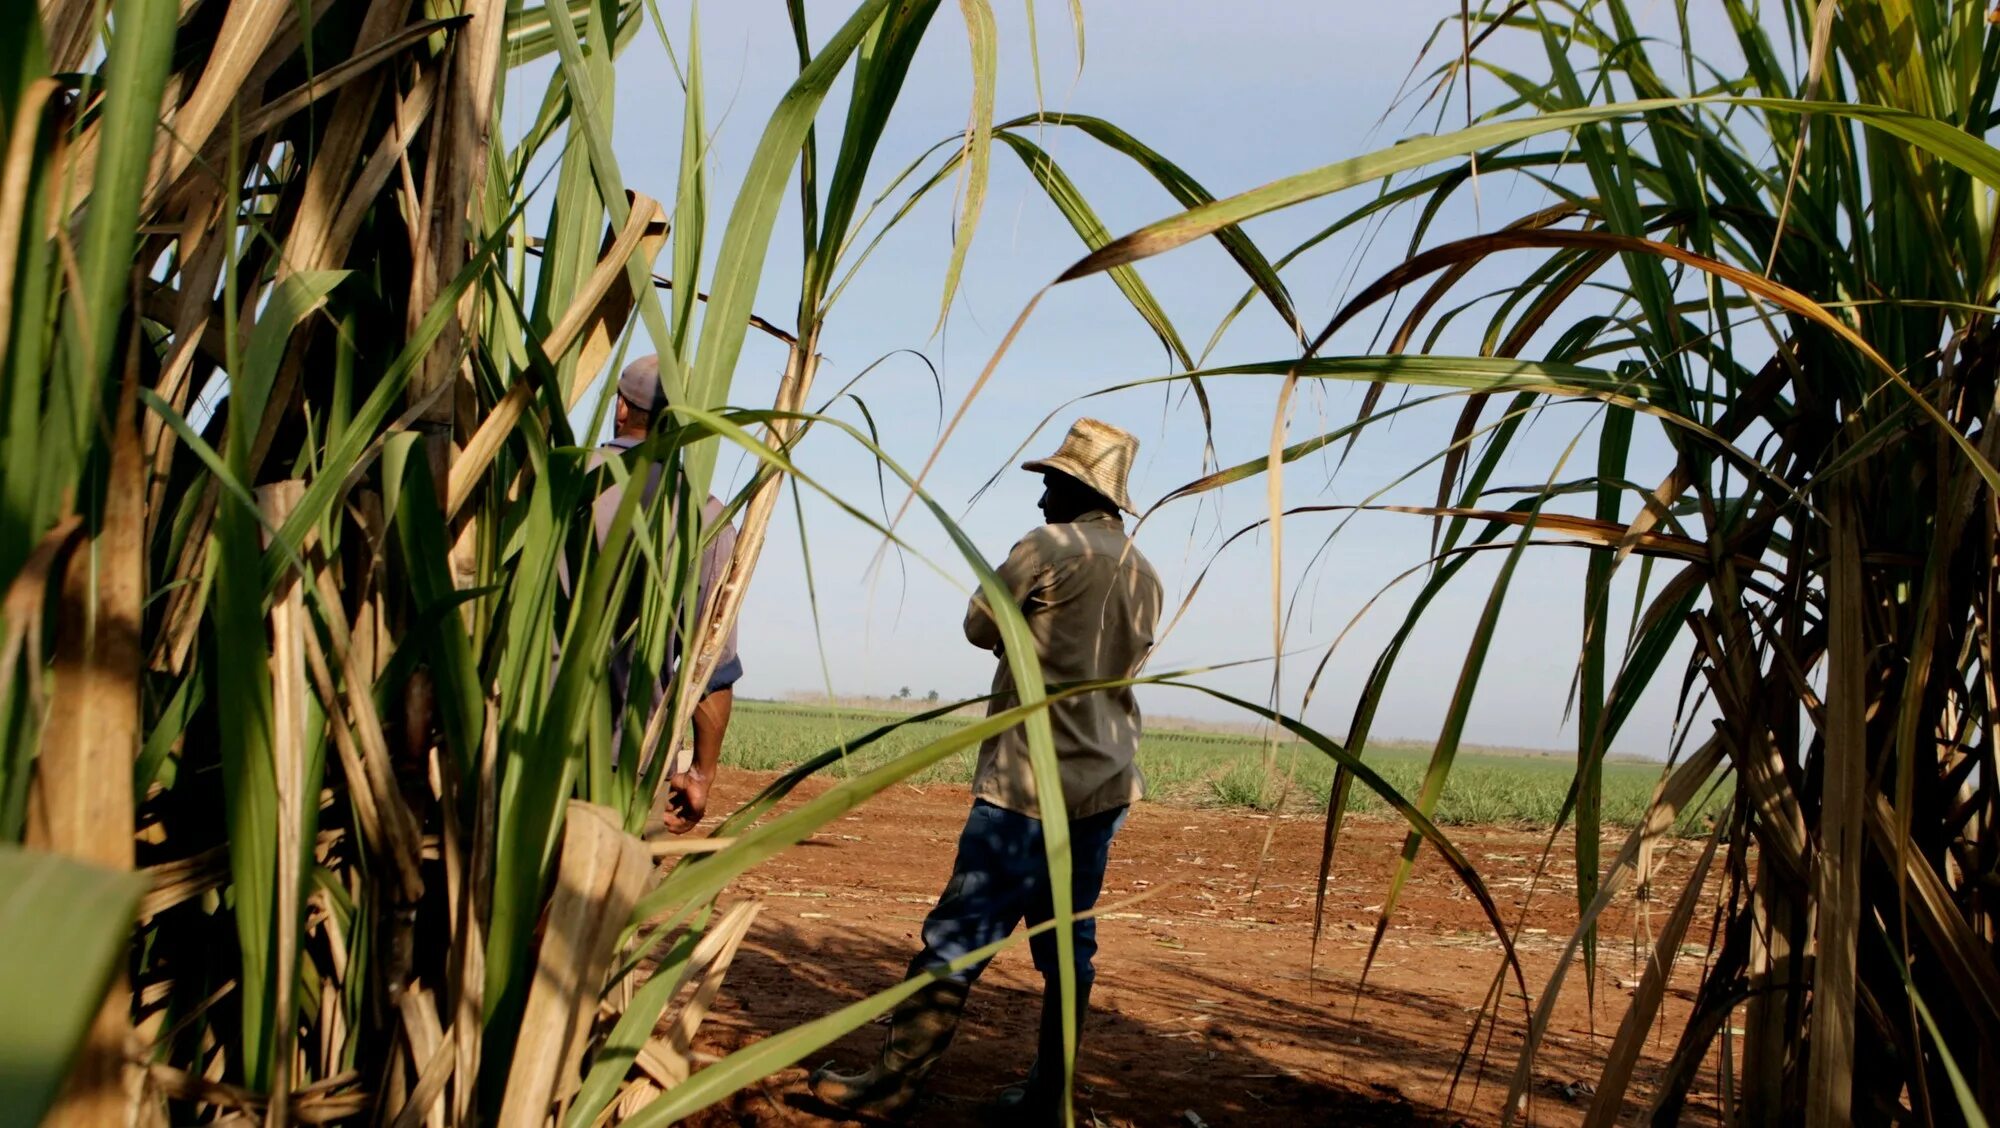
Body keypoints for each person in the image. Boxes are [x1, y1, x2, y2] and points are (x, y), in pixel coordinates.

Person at [810, 418, 1162, 1120]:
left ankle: (892, 1085)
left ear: (1072, 487)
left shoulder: (1047, 546)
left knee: (960, 934)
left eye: (1049, 485)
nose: (1039, 500)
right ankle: (1050, 1098)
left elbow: (979, 626)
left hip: (1026, 786)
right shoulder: (1142, 570)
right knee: (1068, 948)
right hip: (1103, 785)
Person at [594, 354, 742, 833]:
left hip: (522, 746)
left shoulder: (557, 483)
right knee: (614, 903)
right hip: (630, 762)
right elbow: (711, 668)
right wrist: (701, 773)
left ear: (621, 407)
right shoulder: (708, 519)